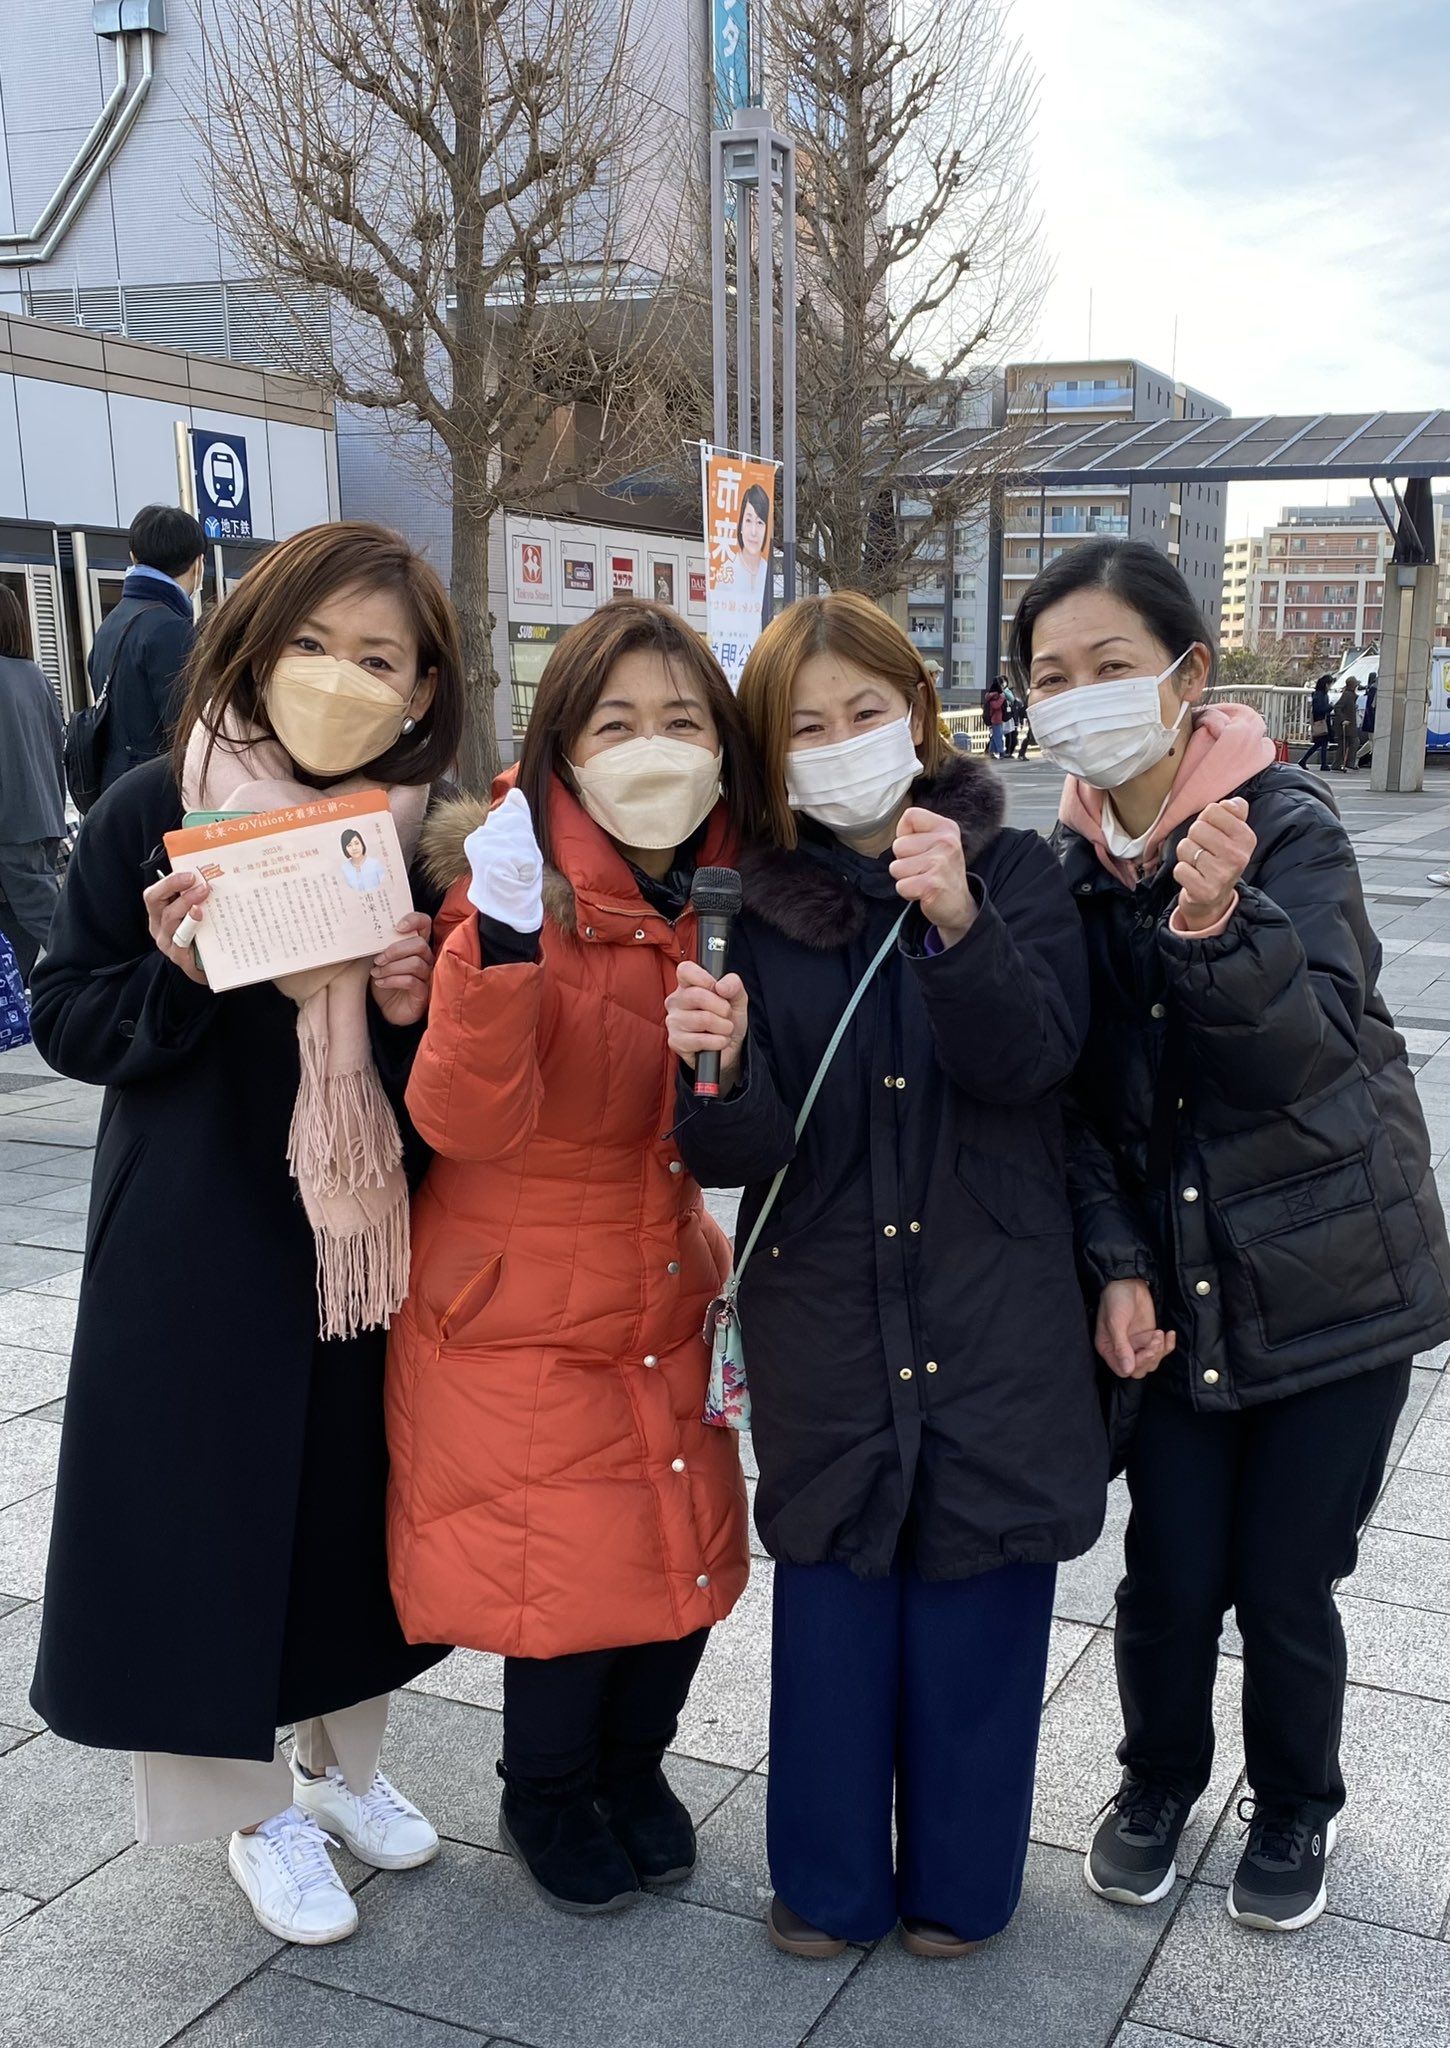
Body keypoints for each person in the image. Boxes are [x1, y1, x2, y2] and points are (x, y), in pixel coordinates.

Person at [28, 522, 467, 1946]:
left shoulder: (427, 839)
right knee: (198, 1518)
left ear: (422, 689)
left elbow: (450, 1078)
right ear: (254, 644)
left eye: (379, 657)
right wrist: (172, 972)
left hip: (357, 1241)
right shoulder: (154, 805)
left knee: (353, 1505)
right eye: (312, 643)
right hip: (194, 1233)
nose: (340, 676)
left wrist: (411, 1011)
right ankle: (245, 1811)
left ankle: (343, 1768)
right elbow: (69, 1015)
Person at [664, 591, 1108, 1960]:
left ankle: (963, 1886)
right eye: (804, 726)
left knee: (978, 1594)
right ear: (768, 754)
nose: (841, 742)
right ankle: (828, 1883)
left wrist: (959, 922)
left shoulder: (1017, 871)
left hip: (992, 1303)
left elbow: (1033, 1061)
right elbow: (733, 1151)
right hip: (826, 1310)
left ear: (919, 713)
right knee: (838, 1606)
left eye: (865, 711)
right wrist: (714, 1065)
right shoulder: (747, 912)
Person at [1016, 537, 1450, 1934]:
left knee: (1285, 1582)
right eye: (1050, 676)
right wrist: (1114, 1264)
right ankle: (1155, 1780)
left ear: (1188, 674)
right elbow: (1073, 1109)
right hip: (1176, 1290)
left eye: (1111, 665)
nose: (1079, 695)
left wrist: (1215, 926)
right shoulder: (1067, 871)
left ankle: (1294, 1803)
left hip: (1331, 1282)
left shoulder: (1288, 827)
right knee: (1168, 1574)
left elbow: (1307, 1056)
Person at [388, 598, 754, 1917]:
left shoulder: (726, 891)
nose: (653, 748)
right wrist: (495, 945)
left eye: (682, 720)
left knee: (685, 1549)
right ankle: (544, 1790)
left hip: (663, 1279)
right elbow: (459, 1116)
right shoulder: (509, 881)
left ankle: (633, 1765)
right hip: (520, 1295)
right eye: (616, 723)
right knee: (565, 1569)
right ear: (561, 747)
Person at [92, 505, 207, 793]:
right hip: (158, 794)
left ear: (133, 557)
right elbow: (189, 735)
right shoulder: (171, 628)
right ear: (199, 564)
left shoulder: (112, 623)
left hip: (116, 787)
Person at [0, 586, 64, 984]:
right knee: (35, 922)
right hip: (42, 817)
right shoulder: (37, 677)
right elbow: (57, 747)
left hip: (9, 823)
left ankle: (103, 986)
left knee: (52, 930)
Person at [1297, 673, 1333, 771]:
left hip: (1320, 721)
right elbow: (1318, 709)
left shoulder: (1318, 694)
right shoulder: (1321, 695)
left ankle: (1305, 760)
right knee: (1322, 742)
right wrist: (1329, 707)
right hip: (1321, 721)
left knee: (1320, 743)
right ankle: (1322, 763)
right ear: (1326, 684)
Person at [339, 826, 387, 891]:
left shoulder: (375, 864)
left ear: (362, 844)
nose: (354, 848)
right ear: (345, 849)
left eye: (356, 843)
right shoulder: (344, 869)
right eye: (349, 845)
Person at [1332, 674, 1360, 772]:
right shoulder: (1348, 695)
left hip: (1349, 724)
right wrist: (1343, 719)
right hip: (1346, 724)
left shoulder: (1349, 695)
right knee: (1352, 742)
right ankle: (1347, 763)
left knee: (1345, 745)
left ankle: (1339, 763)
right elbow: (1337, 707)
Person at [983, 674, 1009, 757]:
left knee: (995, 736)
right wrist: (1002, 698)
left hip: (996, 718)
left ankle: (991, 751)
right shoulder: (995, 696)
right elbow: (996, 706)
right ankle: (1001, 752)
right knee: (998, 736)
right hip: (996, 719)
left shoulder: (991, 695)